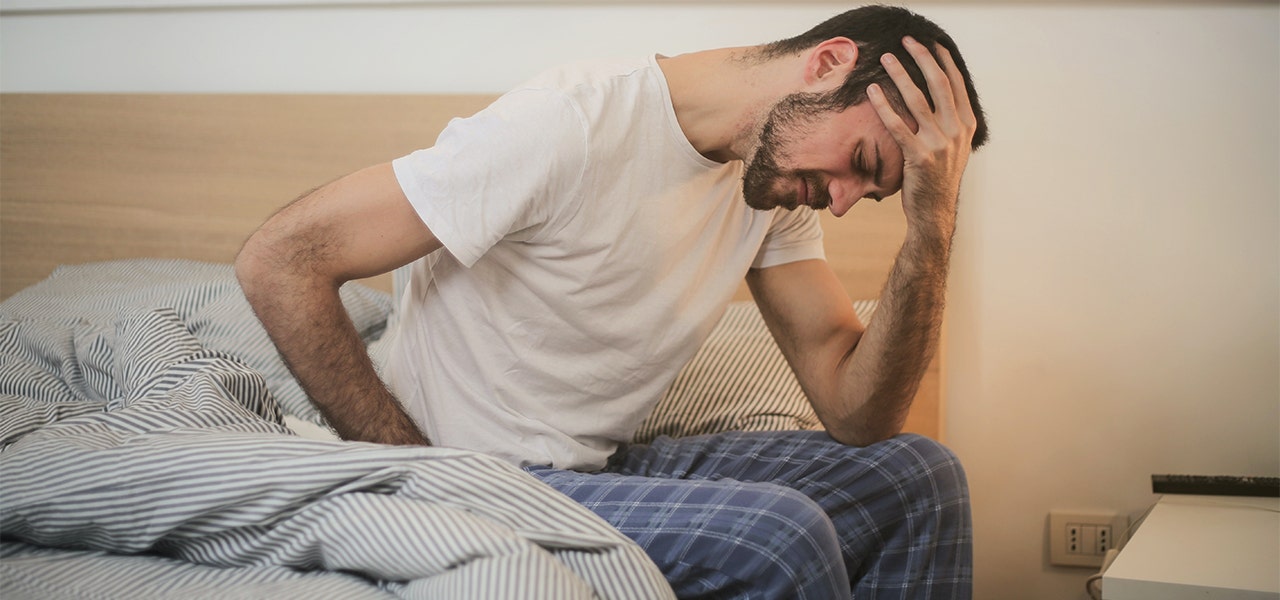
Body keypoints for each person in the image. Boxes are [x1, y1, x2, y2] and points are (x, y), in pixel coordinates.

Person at [237, 4, 989, 598]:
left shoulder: (774, 187)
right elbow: (281, 259)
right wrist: (418, 471)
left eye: (876, 191)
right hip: (478, 470)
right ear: (827, 63)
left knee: (916, 477)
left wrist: (932, 222)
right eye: (861, 163)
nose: (846, 201)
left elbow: (858, 414)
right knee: (776, 536)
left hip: (594, 466)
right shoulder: (570, 124)